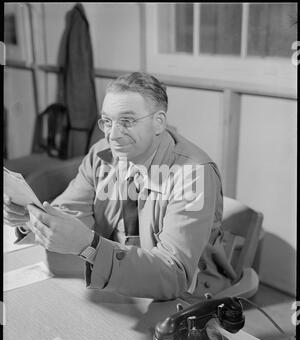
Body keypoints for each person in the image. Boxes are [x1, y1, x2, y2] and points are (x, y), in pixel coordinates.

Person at [4, 72, 236, 301]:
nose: (112, 135)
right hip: (116, 277)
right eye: (107, 121)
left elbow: (173, 275)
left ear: (159, 122)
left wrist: (90, 245)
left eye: (127, 121)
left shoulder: (194, 175)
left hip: (183, 296)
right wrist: (33, 219)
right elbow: (70, 212)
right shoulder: (101, 153)